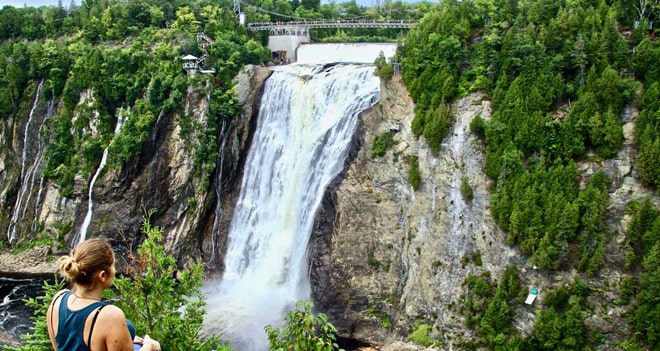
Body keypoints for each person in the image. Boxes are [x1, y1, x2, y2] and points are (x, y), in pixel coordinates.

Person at [46, 237, 161, 351]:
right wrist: (150, 346)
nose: (115, 270)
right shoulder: (110, 316)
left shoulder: (58, 299)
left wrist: (124, 338)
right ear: (103, 276)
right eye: (113, 266)